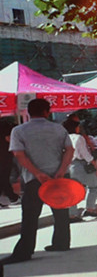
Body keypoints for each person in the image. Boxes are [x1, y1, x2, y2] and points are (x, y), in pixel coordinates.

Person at [1, 99, 75, 264]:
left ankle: (24, 251)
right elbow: (69, 150)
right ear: (47, 112)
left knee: (30, 215)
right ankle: (61, 242)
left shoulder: (19, 131)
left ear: (28, 112)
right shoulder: (58, 128)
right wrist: (61, 170)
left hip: (34, 179)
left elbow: (19, 154)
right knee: (61, 211)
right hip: (59, 177)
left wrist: (37, 173)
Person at [62, 119, 97, 220]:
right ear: (75, 128)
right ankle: (90, 209)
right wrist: (93, 162)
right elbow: (84, 153)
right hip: (80, 165)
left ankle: (72, 214)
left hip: (67, 165)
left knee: (72, 190)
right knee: (94, 186)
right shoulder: (78, 138)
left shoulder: (62, 138)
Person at [0, 120, 20, 206]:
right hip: (4, 155)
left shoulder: (5, 125)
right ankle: (12, 196)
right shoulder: (6, 125)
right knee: (4, 176)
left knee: (3, 177)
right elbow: (8, 138)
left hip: (4, 154)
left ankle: (11, 196)